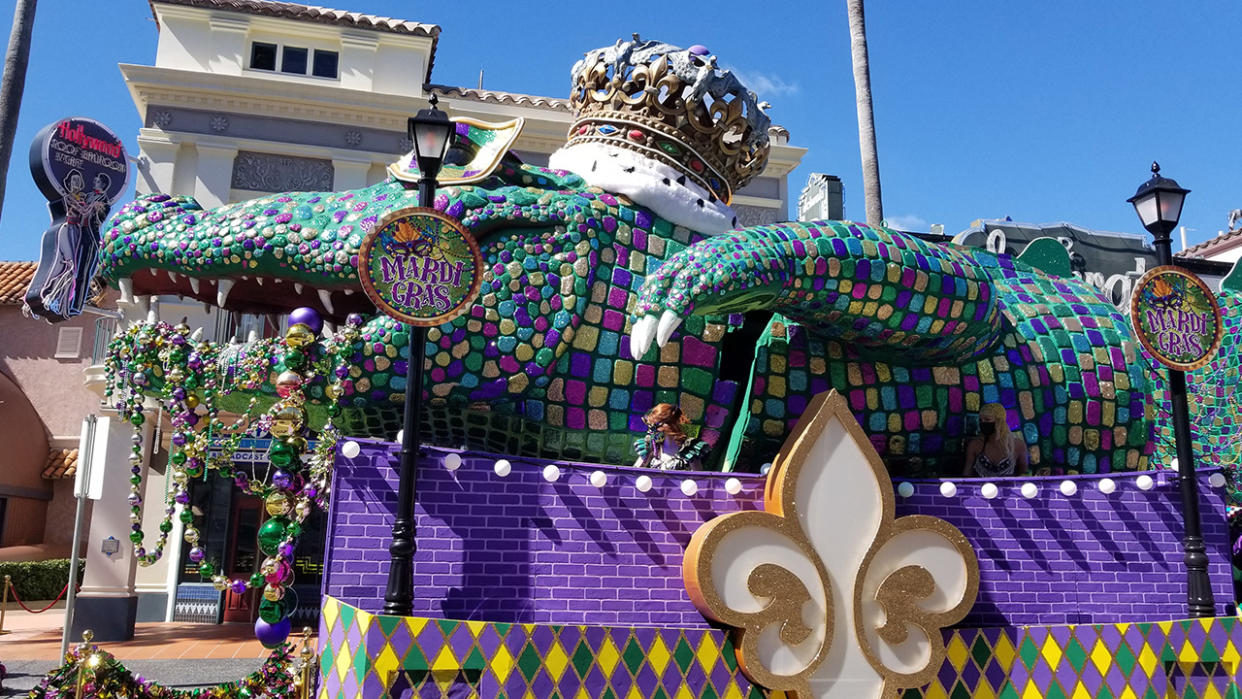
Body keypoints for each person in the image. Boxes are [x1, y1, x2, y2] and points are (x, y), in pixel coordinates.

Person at [633, 403, 709, 471]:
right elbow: (633, 472)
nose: (650, 432)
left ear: (667, 425)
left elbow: (698, 478)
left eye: (654, 427)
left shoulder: (688, 449)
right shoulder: (653, 447)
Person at [962, 402, 1029, 478]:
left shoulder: (1018, 445)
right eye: (980, 420)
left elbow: (1024, 475)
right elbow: (967, 474)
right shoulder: (975, 445)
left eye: (987, 420)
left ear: (999, 422)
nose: (983, 423)